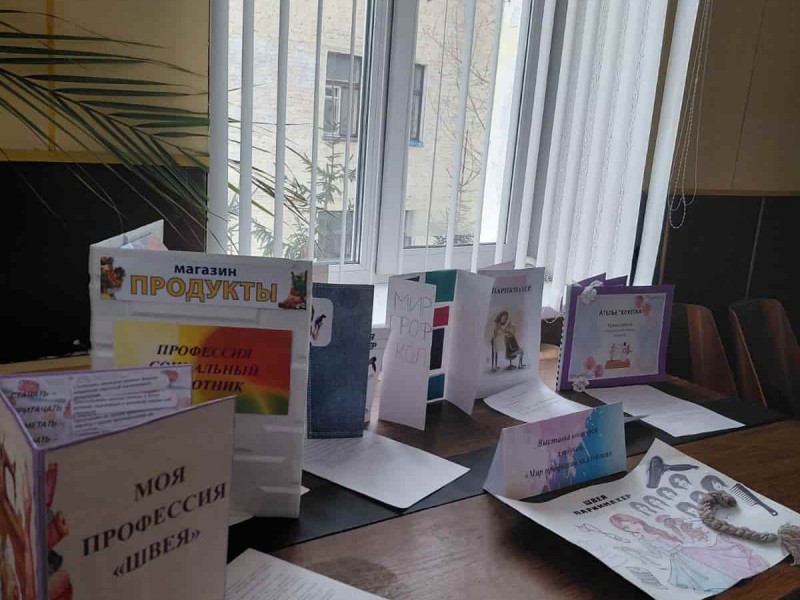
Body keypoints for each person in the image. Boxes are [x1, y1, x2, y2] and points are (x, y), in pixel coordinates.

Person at [610, 513, 769, 593]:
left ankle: (742, 578)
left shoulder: (654, 530)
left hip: (688, 550)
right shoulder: (642, 539)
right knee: (707, 576)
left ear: (637, 521)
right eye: (626, 528)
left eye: (632, 523)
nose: (633, 527)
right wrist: (635, 550)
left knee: (719, 561)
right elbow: (657, 554)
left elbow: (678, 539)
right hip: (680, 558)